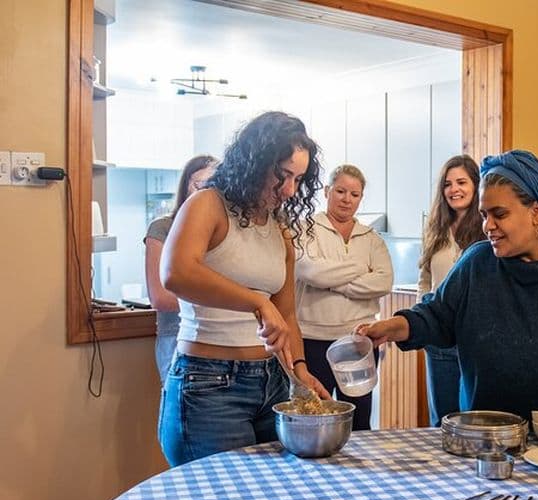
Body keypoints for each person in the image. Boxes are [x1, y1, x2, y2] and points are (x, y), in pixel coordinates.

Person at [357, 149, 538, 455]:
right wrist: (396, 326)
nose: (487, 225)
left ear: (536, 211)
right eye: (484, 215)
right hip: (486, 440)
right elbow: (438, 315)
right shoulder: (477, 263)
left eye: (499, 214)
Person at [158, 111, 330, 467]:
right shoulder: (209, 204)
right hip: (208, 384)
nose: (289, 190)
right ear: (255, 162)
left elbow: (286, 315)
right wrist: (255, 302)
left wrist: (299, 371)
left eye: (298, 179)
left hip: (272, 383)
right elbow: (176, 272)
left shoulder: (279, 228)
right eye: (282, 176)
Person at [295, 164, 393, 430]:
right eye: (340, 191)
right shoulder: (305, 230)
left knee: (360, 420)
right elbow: (308, 270)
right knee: (316, 419)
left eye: (354, 194)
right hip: (312, 341)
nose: (346, 199)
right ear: (327, 191)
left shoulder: (372, 239)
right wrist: (361, 269)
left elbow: (384, 281)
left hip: (359, 341)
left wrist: (333, 283)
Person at [417, 155, 484, 427]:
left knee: (473, 418)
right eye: (448, 184)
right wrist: (423, 315)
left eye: (461, 182)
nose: (454, 190)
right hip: (439, 335)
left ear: (476, 185)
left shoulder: (487, 226)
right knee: (442, 418)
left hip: (477, 336)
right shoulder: (435, 229)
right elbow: (424, 279)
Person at [144, 155, 218, 385]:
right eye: (200, 185)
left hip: (220, 338)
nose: (206, 192)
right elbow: (161, 298)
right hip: (176, 337)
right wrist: (229, 300)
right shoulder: (162, 228)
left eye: (213, 186)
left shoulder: (222, 232)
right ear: (186, 184)